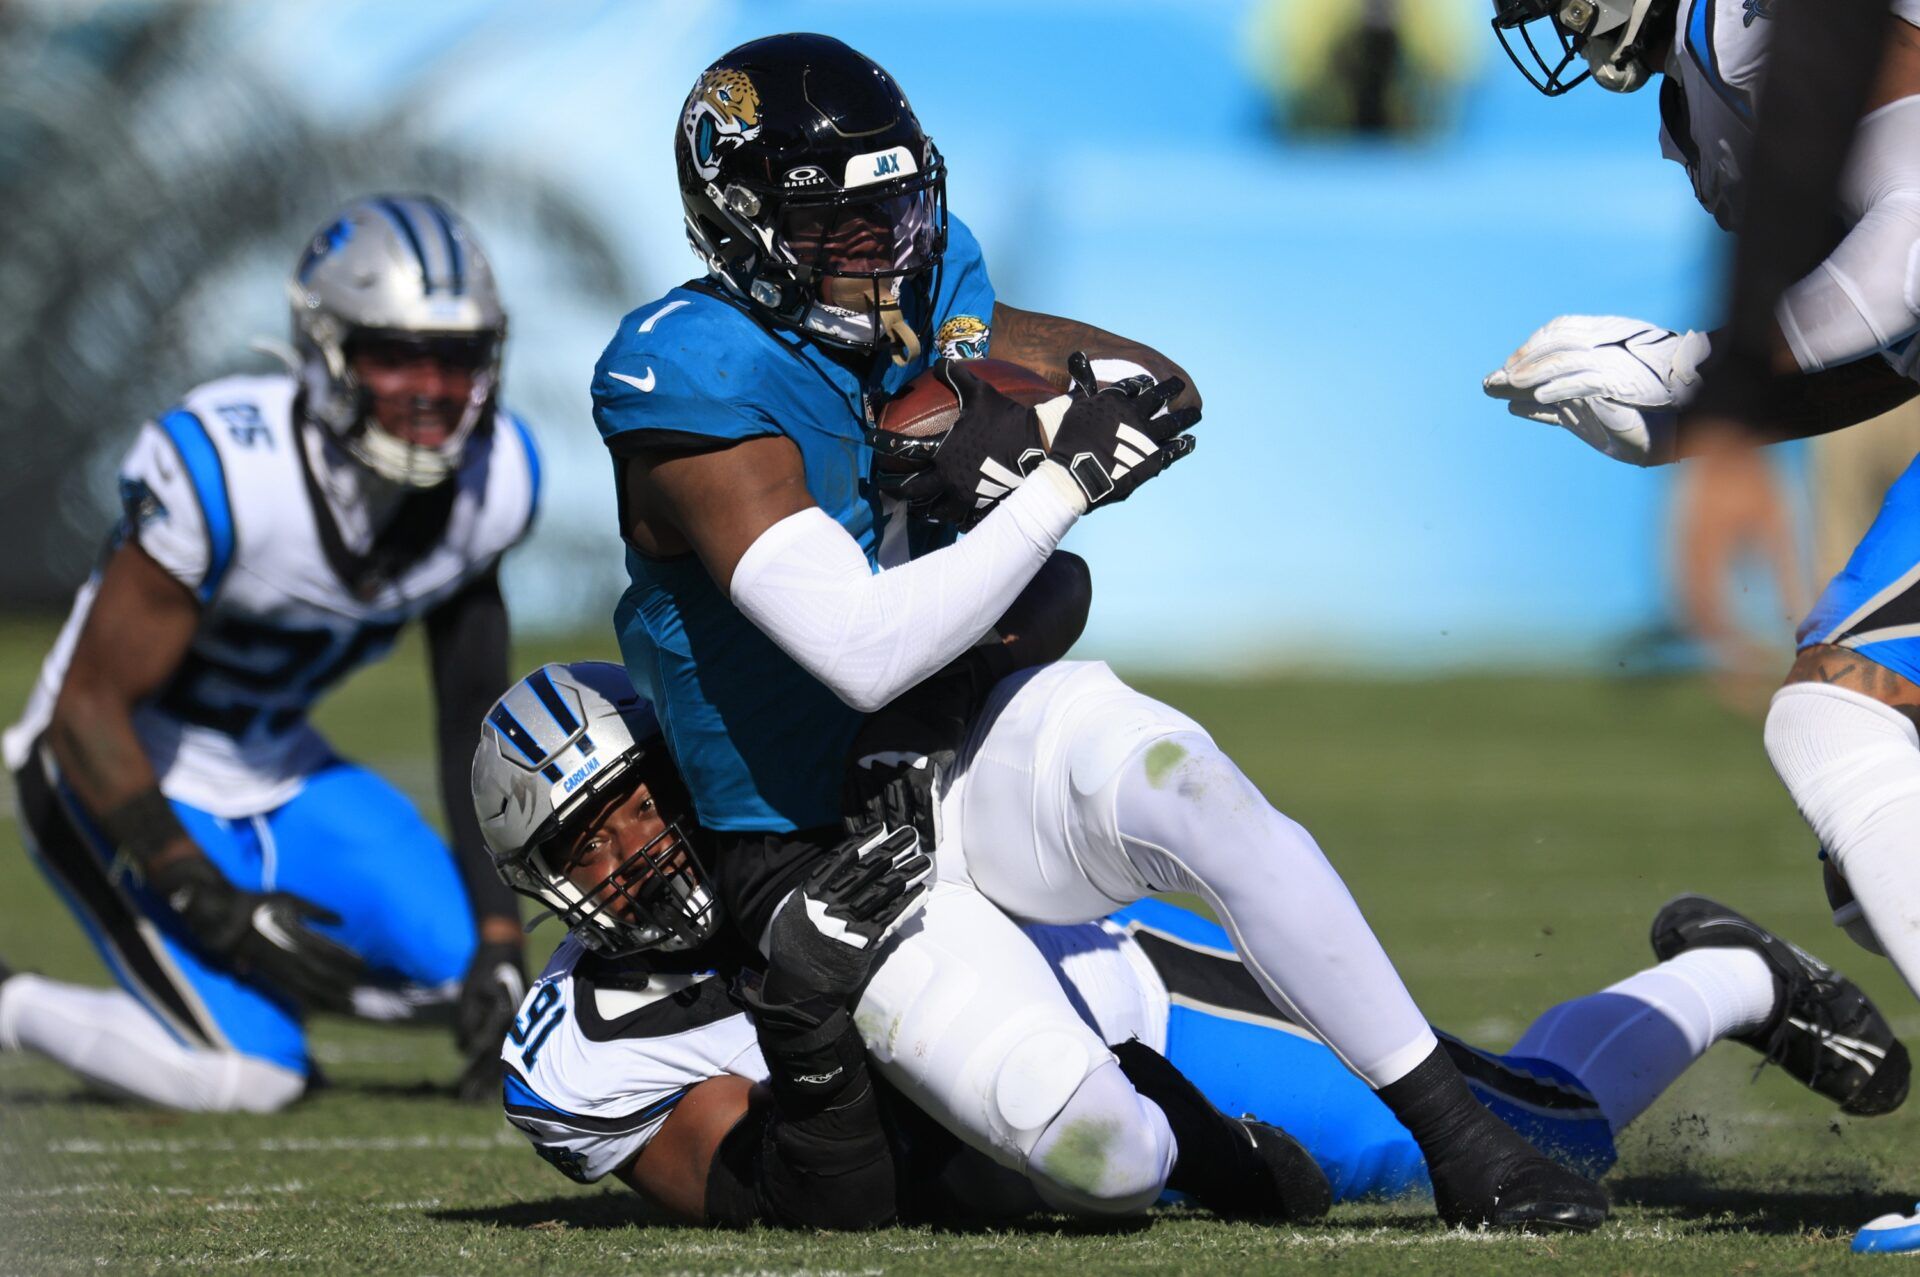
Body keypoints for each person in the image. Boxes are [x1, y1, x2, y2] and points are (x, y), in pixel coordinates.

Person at [595, 32, 1606, 1229]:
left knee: (1188, 781)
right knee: (1104, 1154)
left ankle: (1466, 1140)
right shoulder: (693, 374)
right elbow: (859, 644)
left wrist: (981, 411)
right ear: (742, 224)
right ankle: (1183, 1128)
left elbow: (1149, 382)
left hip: (954, 746)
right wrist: (1052, 485)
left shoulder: (927, 288)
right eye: (843, 229)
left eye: (900, 208)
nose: (886, 253)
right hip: (818, 848)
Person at [474, 661, 1909, 1227]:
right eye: (580, 845)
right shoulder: (576, 1049)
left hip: (1134, 1006)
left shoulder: (785, 808)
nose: (631, 853)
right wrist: (810, 1020)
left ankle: (1734, 972)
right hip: (1031, 1105)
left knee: (1547, 1129)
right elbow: (792, 1199)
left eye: (633, 805)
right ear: (541, 884)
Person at [0, 195, 540, 1112]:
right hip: (107, 774)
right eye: (396, 352)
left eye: (456, 357)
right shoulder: (227, 467)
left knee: (513, 1001)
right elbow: (86, 711)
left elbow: (473, 722)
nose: (432, 389)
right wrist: (205, 897)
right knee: (249, 1076)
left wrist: (500, 936)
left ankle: (247, 976)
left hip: (279, 775)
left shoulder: (497, 481)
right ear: (328, 345)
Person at [1482, 3, 1920, 999]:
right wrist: (1705, 422)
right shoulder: (1706, 73)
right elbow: (1902, 353)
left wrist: (1702, 370)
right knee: (1876, 857)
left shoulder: (1749, 21)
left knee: (1839, 725)